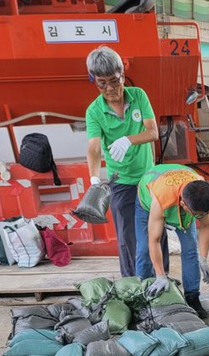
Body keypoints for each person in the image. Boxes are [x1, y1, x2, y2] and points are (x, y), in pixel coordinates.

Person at [86, 46, 159, 278]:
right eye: (101, 83)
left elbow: (153, 132)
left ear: (122, 75)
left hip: (148, 180)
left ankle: (161, 278)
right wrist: (95, 178)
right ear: (94, 81)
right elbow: (95, 147)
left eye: (114, 81)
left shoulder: (138, 96)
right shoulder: (94, 111)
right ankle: (132, 284)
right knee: (128, 238)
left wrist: (128, 140)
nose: (109, 88)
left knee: (156, 231)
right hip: (122, 183)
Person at [136, 163, 209, 318]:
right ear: (183, 204)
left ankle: (192, 297)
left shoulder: (203, 195)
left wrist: (204, 258)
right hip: (149, 195)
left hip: (182, 192)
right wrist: (160, 276)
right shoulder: (161, 199)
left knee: (190, 248)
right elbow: (154, 240)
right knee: (144, 250)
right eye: (196, 215)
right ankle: (142, 296)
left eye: (201, 215)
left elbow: (206, 226)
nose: (199, 218)